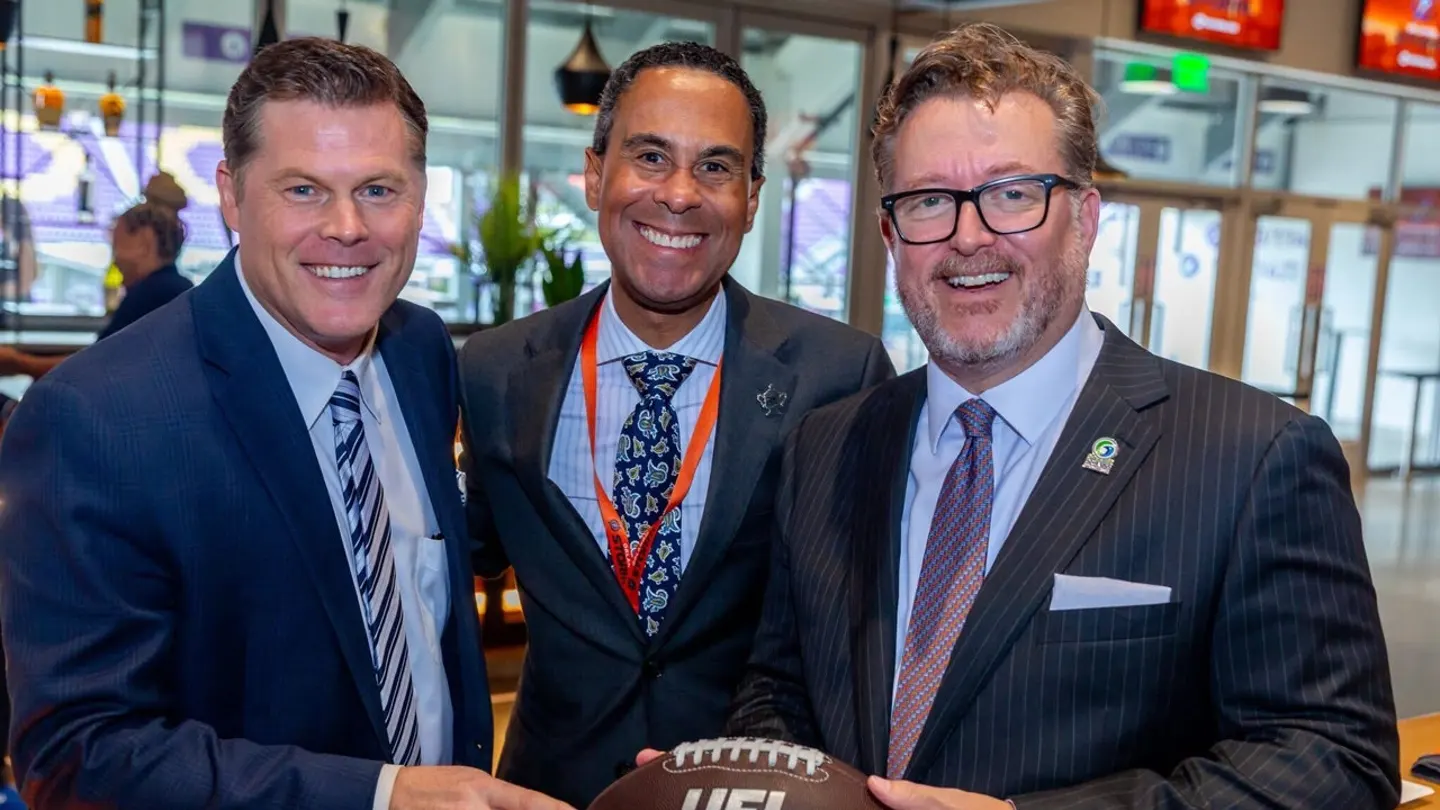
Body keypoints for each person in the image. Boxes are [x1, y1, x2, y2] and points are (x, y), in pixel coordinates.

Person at [723, 22, 1400, 810]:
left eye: (1013, 194)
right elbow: (780, 689)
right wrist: (739, 782)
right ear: (889, 234)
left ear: (1085, 218)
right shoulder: (827, 446)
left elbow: (1335, 763)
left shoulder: (1253, 458)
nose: (968, 237)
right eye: (929, 201)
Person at [0, 37, 570, 810]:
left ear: (420, 195)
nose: (347, 227)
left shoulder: (421, 350)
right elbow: (81, 754)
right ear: (231, 196)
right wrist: (381, 795)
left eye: (378, 189)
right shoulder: (97, 418)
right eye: (303, 189)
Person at [458, 41, 895, 808]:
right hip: (549, 790)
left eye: (716, 167)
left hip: (755, 791)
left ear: (752, 198)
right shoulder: (495, 372)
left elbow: (866, 624)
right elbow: (449, 561)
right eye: (651, 156)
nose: (680, 195)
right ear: (596, 174)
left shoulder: (838, 376)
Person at [0, 172, 195, 379]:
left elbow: (97, 368)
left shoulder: (154, 293)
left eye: (117, 247)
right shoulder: (172, 288)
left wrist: (20, 362)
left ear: (144, 243)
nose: (115, 261)